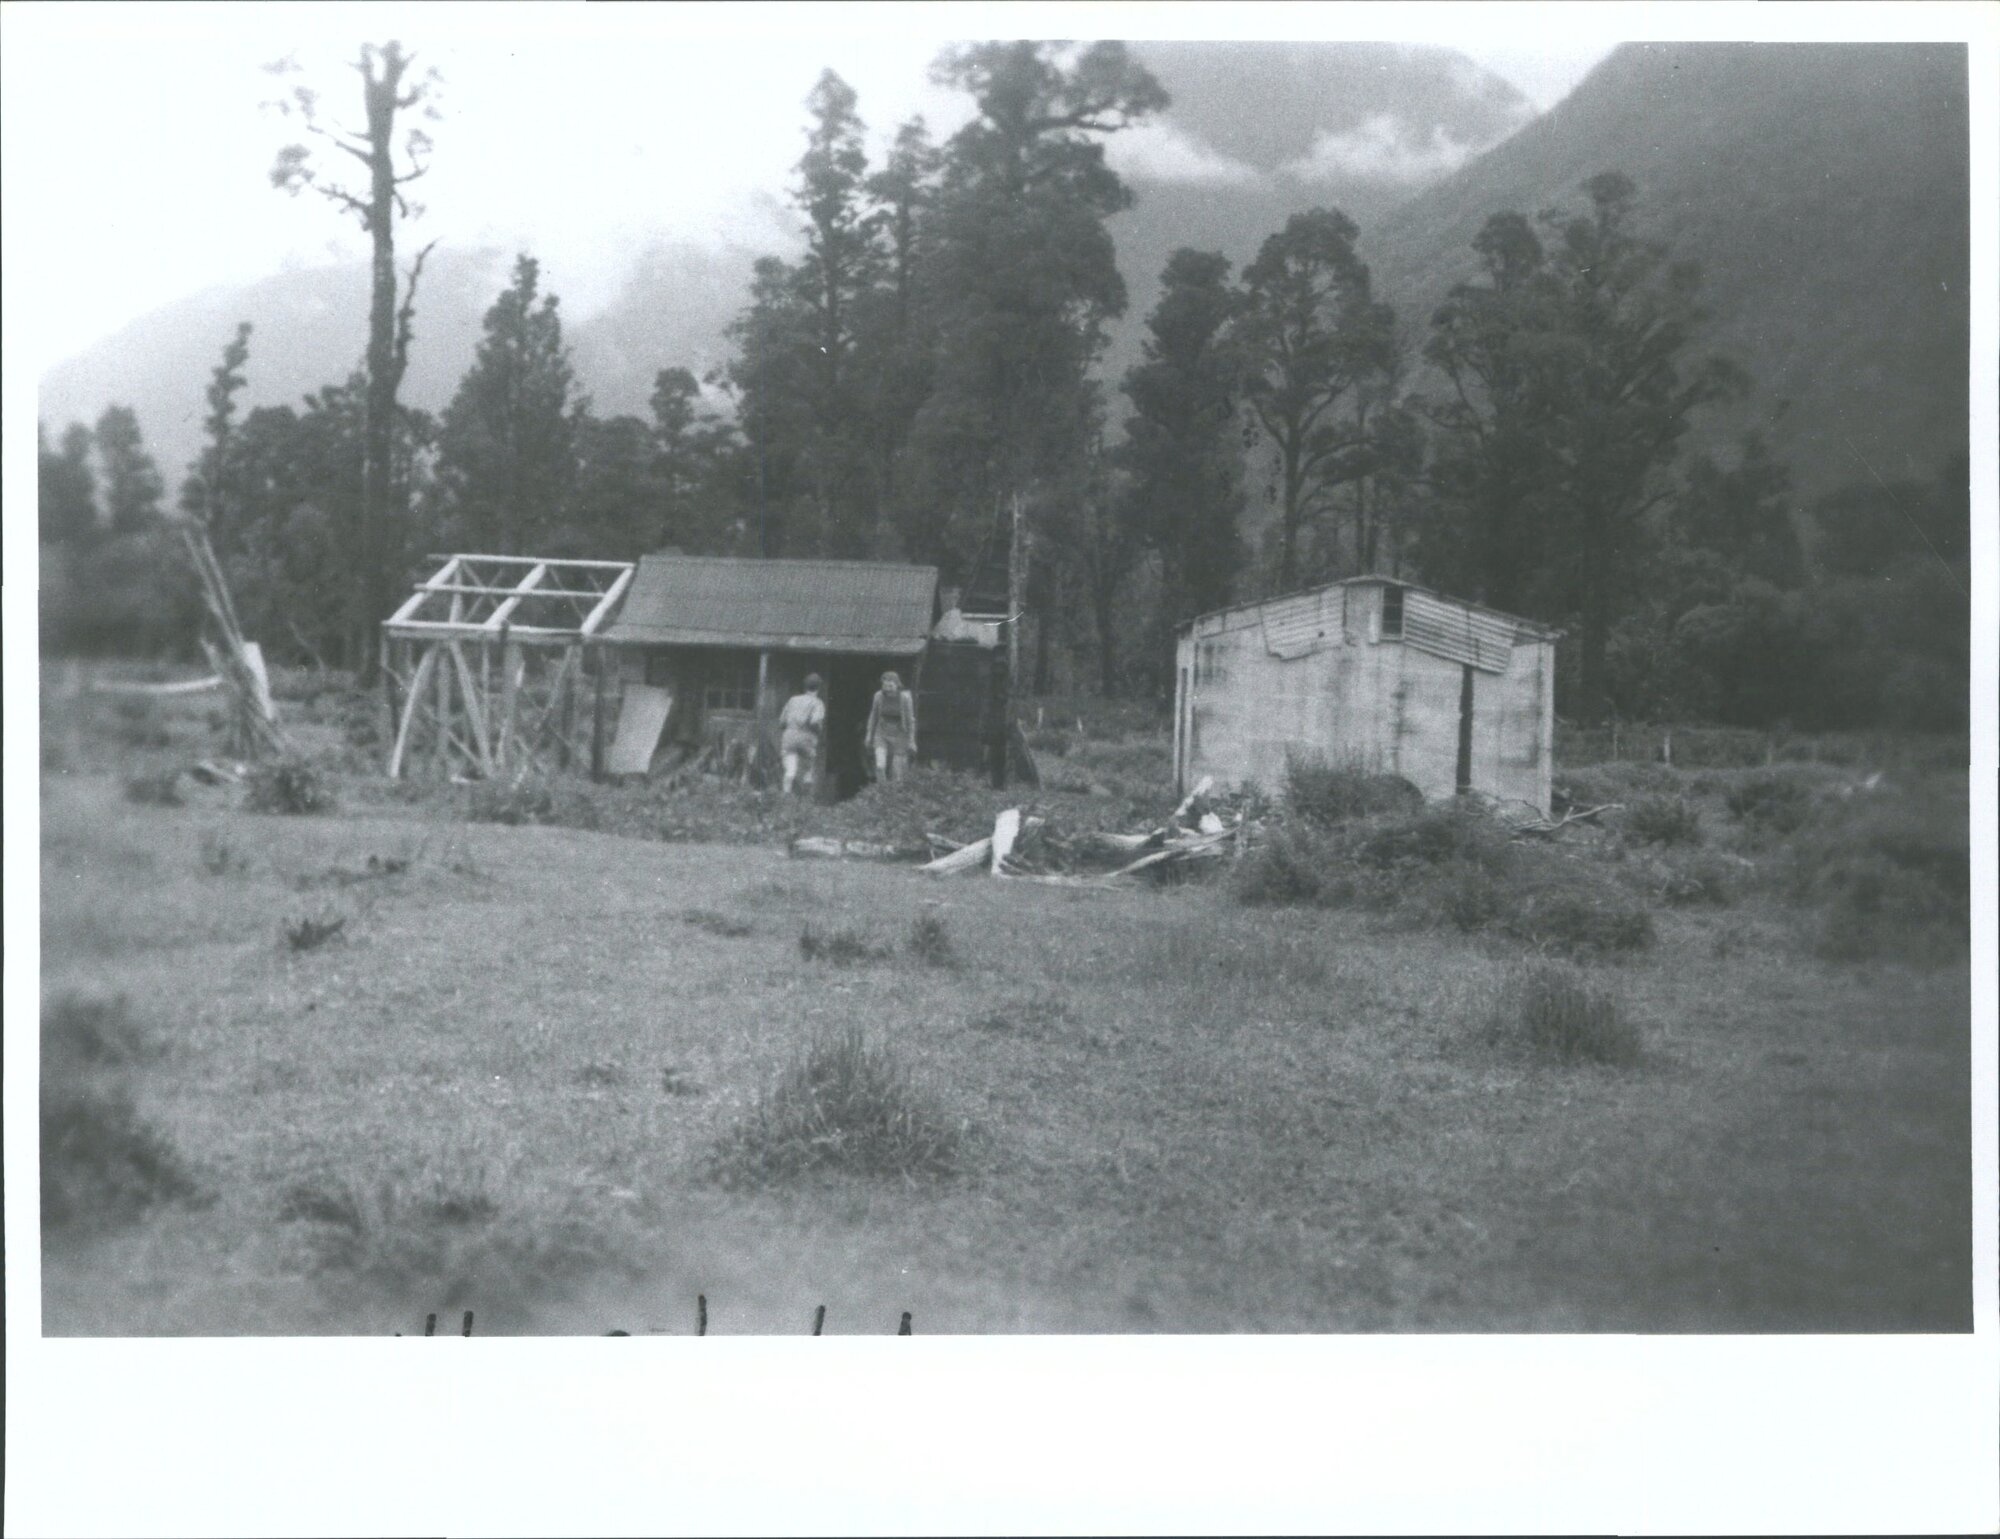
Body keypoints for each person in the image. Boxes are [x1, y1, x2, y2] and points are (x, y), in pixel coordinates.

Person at [864, 670, 917, 783]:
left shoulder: (905, 698)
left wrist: (911, 740)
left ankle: (894, 795)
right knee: (879, 765)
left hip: (900, 734)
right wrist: (869, 735)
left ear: (897, 684)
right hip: (882, 733)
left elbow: (910, 720)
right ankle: (882, 790)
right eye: (885, 685)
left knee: (897, 771)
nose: (887, 688)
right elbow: (873, 716)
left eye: (890, 685)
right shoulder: (878, 696)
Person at [778, 674, 826, 795]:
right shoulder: (817, 703)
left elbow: (782, 721)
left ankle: (785, 798)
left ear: (805, 686)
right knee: (808, 771)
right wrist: (819, 730)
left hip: (789, 737)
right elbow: (815, 721)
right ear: (818, 687)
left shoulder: (793, 700)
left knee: (790, 771)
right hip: (806, 739)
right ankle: (805, 802)